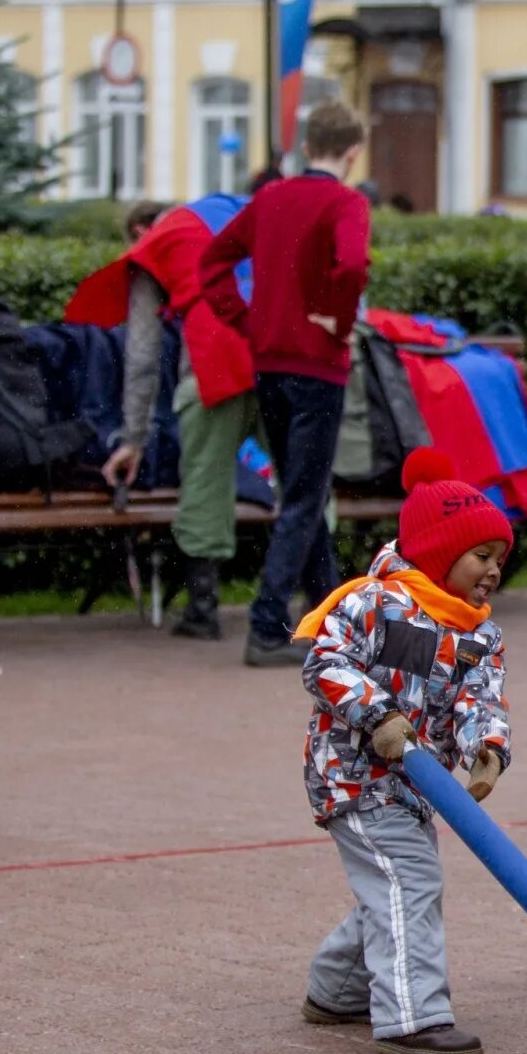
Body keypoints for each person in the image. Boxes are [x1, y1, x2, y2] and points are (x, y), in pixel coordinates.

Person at [294, 449, 513, 1054]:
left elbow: (478, 698)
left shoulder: (478, 633)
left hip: (417, 786)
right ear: (440, 551)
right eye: (481, 556)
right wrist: (380, 717)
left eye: (499, 559)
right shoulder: (372, 603)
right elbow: (325, 664)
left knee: (394, 882)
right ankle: (413, 1018)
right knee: (410, 879)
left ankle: (335, 990)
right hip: (354, 777)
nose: (493, 571)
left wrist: (487, 746)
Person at [199, 100, 373, 667]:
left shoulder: (270, 197)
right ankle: (267, 625)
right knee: (303, 497)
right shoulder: (346, 202)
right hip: (318, 365)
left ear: (307, 146)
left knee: (302, 492)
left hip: (269, 361)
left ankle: (330, 619)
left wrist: (245, 320)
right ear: (352, 152)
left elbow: (213, 261)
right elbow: (352, 265)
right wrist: (337, 319)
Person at [64, 194, 259, 640]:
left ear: (139, 231)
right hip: (283, 350)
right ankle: (321, 603)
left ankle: (203, 612)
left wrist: (132, 438)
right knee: (302, 483)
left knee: (205, 484)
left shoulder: (155, 246)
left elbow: (142, 355)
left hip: (214, 362)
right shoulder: (233, 210)